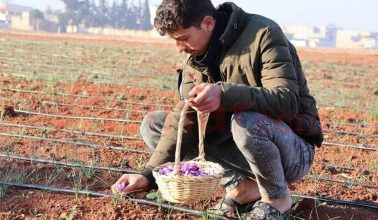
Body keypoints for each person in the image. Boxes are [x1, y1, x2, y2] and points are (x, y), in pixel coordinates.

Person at [112, 0, 323, 219]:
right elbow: (187, 120)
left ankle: (277, 198)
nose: (179, 48)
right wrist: (147, 175)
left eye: (183, 38)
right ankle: (243, 187)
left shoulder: (263, 34)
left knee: (246, 121)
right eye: (174, 40)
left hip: (291, 149)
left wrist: (224, 95)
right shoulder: (195, 57)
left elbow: (286, 101)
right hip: (241, 142)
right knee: (154, 124)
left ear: (208, 23)